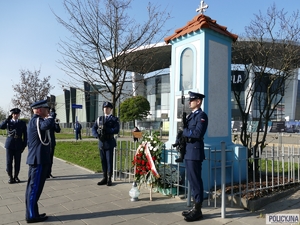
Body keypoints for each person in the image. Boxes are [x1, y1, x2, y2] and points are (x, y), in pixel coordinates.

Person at [25, 99, 56, 223]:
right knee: (34, 189)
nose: (48, 111)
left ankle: (34, 213)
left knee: (34, 189)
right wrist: (51, 116)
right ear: (39, 110)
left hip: (39, 159)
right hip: (38, 160)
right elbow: (46, 125)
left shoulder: (37, 121)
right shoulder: (37, 120)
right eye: (46, 109)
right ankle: (31, 215)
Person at [181, 91, 208, 222]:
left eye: (192, 100)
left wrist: (184, 132)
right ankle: (194, 207)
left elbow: (197, 133)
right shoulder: (192, 115)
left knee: (196, 181)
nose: (189, 102)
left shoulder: (201, 116)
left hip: (195, 152)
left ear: (198, 101)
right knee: (191, 180)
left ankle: (198, 210)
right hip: (188, 151)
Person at [92, 101, 120, 186]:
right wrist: (96, 135)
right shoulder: (99, 119)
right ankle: (104, 177)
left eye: (107, 108)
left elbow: (116, 130)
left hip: (109, 142)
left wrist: (107, 129)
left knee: (109, 161)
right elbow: (93, 128)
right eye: (104, 108)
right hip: (101, 142)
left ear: (111, 109)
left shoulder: (114, 119)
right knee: (103, 161)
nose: (106, 109)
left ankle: (109, 178)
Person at [0, 108, 27, 184]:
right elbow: (1, 126)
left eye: (17, 114)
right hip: (10, 144)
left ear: (19, 114)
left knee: (17, 162)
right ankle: (10, 177)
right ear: (12, 114)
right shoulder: (8, 122)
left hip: (18, 143)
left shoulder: (22, 123)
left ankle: (16, 176)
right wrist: (6, 120)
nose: (15, 115)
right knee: (9, 162)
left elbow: (25, 135)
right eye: (14, 114)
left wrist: (24, 145)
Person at [47, 114, 61, 179]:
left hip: (51, 143)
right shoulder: (44, 121)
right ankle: (44, 173)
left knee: (50, 159)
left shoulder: (53, 122)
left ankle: (49, 173)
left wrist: (56, 123)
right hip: (44, 143)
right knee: (44, 159)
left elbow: (58, 130)